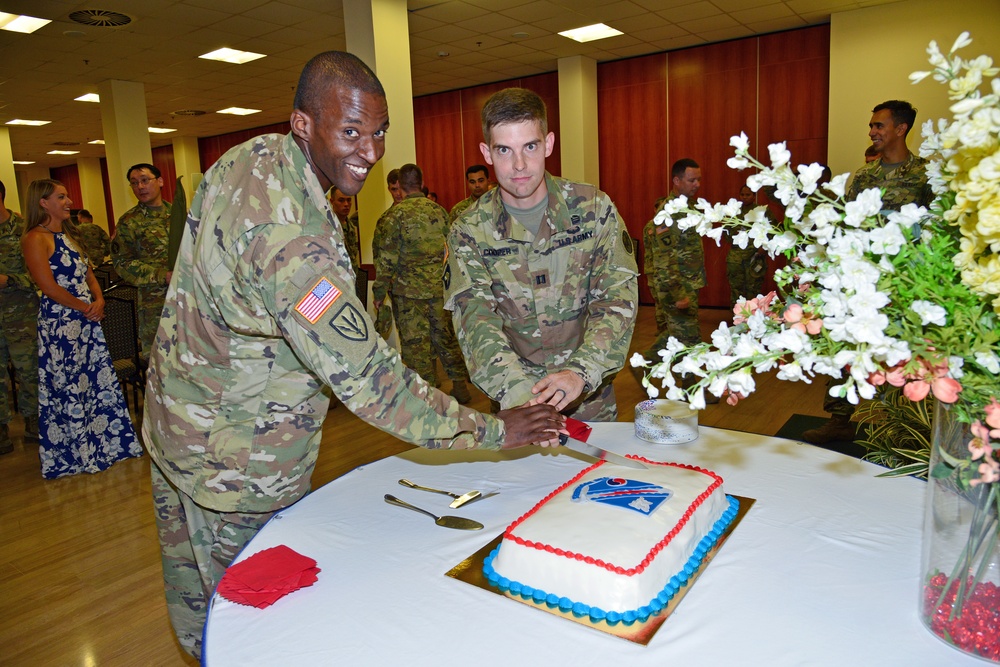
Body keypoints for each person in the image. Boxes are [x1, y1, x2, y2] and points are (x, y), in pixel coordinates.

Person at [142, 52, 563, 660]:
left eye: (379, 131)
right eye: (350, 132)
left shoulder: (253, 157)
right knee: (257, 628)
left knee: (203, 622)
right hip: (237, 461)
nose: (369, 150)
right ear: (303, 124)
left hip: (176, 425)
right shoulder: (291, 241)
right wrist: (493, 429)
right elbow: (370, 379)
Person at [444, 87, 638, 421]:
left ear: (548, 143)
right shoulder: (468, 230)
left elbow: (617, 299)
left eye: (530, 147)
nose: (519, 165)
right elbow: (475, 319)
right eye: (504, 150)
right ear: (486, 153)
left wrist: (581, 371)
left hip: (588, 401)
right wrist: (519, 394)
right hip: (517, 410)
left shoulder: (594, 209)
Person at [804, 100, 933, 444]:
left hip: (905, 281)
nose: (872, 132)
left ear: (901, 129)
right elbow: (848, 227)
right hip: (863, 279)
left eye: (879, 125)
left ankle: (903, 427)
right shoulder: (863, 177)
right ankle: (839, 419)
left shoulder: (925, 174)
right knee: (845, 346)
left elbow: (938, 229)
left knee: (899, 353)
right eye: (872, 126)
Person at [21, 180, 141, 478]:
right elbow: (47, 287)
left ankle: (108, 445)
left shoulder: (70, 234)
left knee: (96, 382)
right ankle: (78, 452)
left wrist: (99, 299)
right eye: (61, 197)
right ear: (43, 203)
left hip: (87, 322)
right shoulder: (35, 238)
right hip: (62, 325)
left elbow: (89, 273)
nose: (69, 201)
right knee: (70, 384)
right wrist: (84, 307)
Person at [373, 163, 472, 403]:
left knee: (416, 345)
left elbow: (386, 259)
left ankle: (427, 397)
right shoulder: (438, 212)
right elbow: (452, 252)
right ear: (421, 181)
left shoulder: (393, 216)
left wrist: (378, 293)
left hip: (408, 295)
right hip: (439, 290)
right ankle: (460, 386)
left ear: (401, 186)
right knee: (445, 338)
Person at [111, 163, 172, 361]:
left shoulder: (179, 215)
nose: (140, 187)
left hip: (187, 301)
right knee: (160, 362)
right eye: (134, 183)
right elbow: (123, 263)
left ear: (160, 181)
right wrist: (161, 275)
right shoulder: (129, 221)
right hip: (154, 305)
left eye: (145, 180)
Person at [0, 179, 39, 454]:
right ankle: (1, 431)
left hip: (22, 314)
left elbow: (42, 276)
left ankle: (34, 424)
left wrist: (9, 280)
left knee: (30, 372)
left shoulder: (26, 229)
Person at [726, 185, 768, 306]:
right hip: (736, 257)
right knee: (736, 289)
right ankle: (737, 317)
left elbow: (770, 231)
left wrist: (763, 247)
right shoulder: (734, 212)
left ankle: (753, 317)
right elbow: (726, 235)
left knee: (753, 289)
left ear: (754, 196)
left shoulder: (761, 212)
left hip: (754, 257)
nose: (744, 197)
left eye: (748, 195)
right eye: (742, 195)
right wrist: (735, 233)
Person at [328, 187, 361, 275]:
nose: (346, 204)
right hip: (336, 277)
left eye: (349, 200)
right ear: (332, 201)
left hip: (352, 276)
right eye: (341, 200)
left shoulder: (350, 226)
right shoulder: (329, 226)